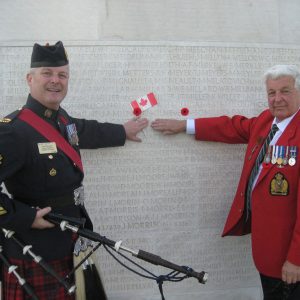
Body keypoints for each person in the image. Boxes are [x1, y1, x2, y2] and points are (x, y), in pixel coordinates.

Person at [0, 41, 148, 299]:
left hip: (72, 240)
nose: (55, 81)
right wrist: (24, 217)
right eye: (47, 73)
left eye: (62, 74)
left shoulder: (61, 118)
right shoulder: (13, 131)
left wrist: (122, 131)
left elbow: (83, 131)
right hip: (36, 249)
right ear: (30, 78)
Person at [151, 64, 300, 300]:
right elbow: (232, 127)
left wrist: (296, 259)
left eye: (285, 91)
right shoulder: (265, 121)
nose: (277, 99)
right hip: (267, 249)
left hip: (290, 258)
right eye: (272, 93)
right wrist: (185, 125)